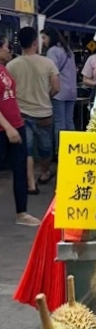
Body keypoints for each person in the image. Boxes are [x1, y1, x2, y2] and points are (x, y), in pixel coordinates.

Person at [7, 27, 59, 193]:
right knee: (46, 149)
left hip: (21, 113)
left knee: (27, 150)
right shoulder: (48, 63)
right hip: (45, 113)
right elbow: (57, 87)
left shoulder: (11, 65)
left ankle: (30, 183)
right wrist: (46, 95)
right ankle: (44, 173)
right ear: (35, 43)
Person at [0, 35, 39, 227]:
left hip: (16, 125)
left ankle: (22, 212)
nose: (10, 50)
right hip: (4, 129)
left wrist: (16, 123)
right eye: (7, 46)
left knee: (20, 169)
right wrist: (7, 127)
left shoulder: (4, 69)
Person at [41, 26, 77, 142]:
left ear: (51, 37)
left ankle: (60, 151)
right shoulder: (68, 50)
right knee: (69, 122)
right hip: (71, 92)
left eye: (44, 37)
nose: (43, 41)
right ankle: (71, 149)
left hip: (59, 92)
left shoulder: (52, 51)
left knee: (59, 123)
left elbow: (52, 72)